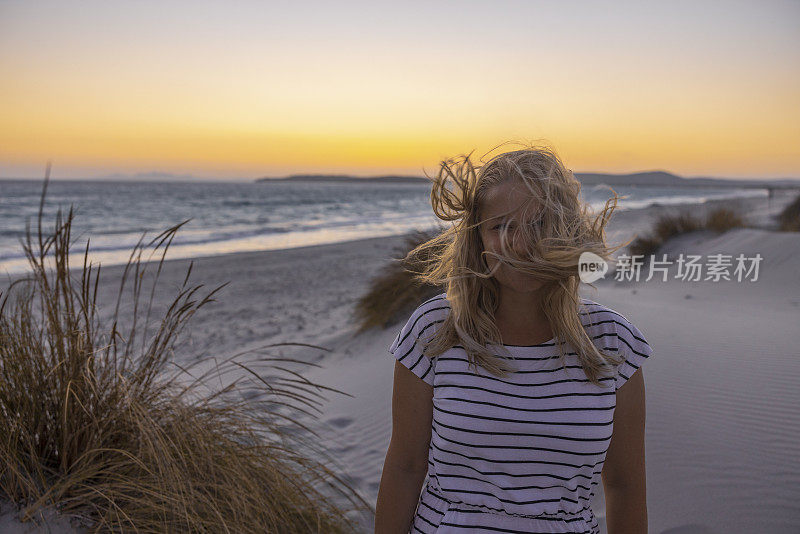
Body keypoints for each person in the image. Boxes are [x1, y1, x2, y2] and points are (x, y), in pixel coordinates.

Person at [374, 144, 653, 534]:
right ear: (479, 240)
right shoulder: (434, 330)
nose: (521, 245)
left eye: (540, 224)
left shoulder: (613, 344)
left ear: (567, 230)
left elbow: (624, 487)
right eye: (501, 226)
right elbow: (405, 467)